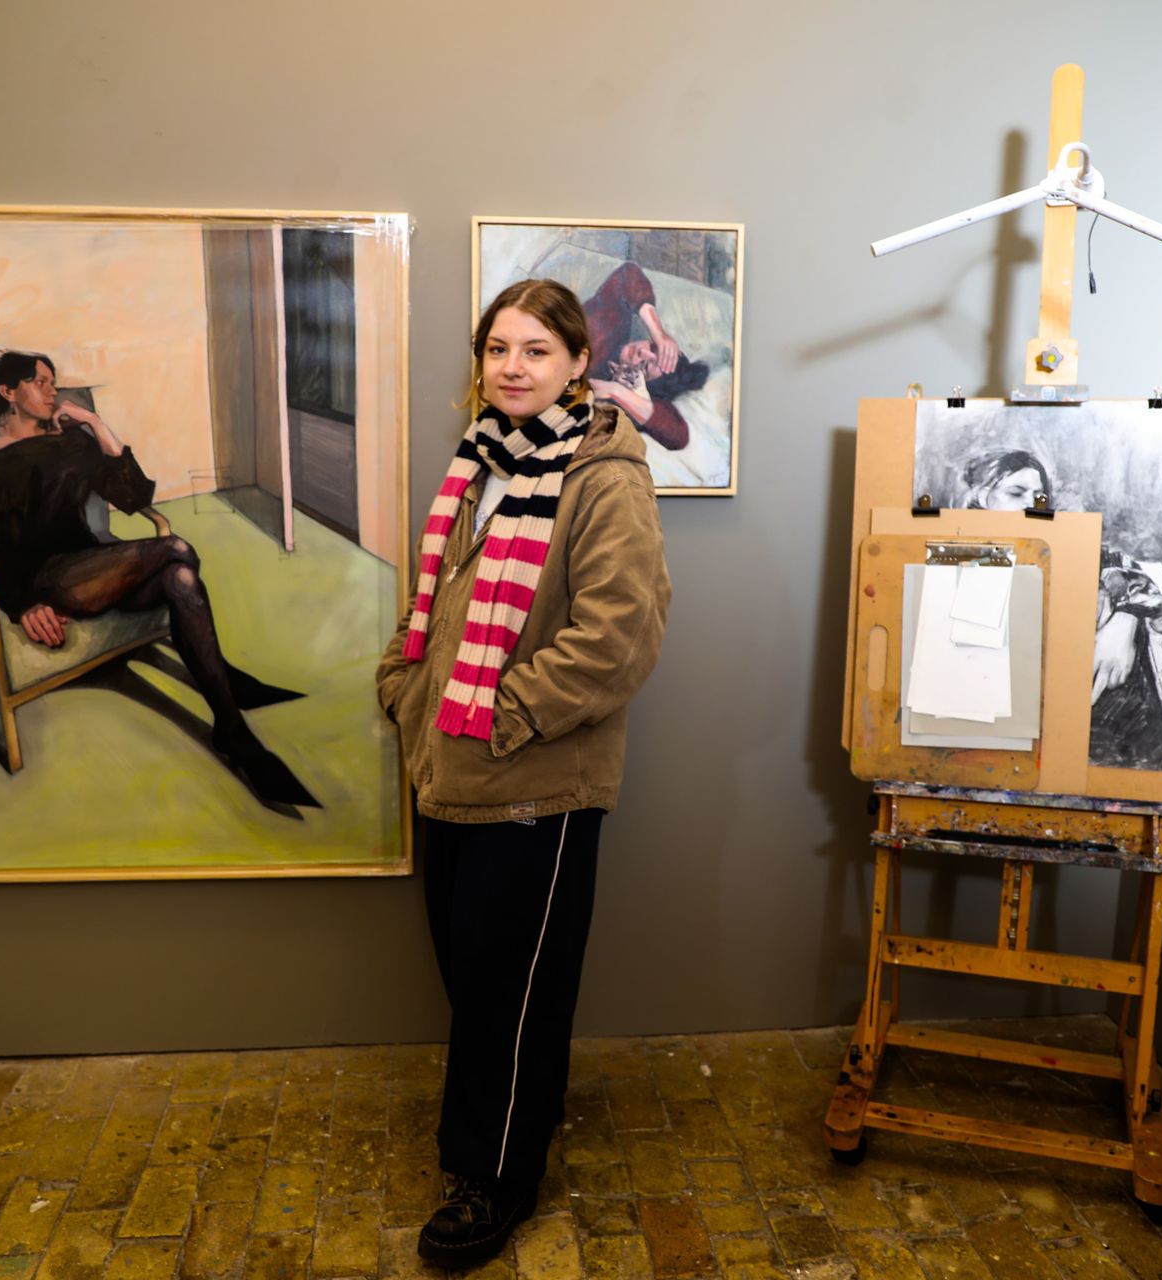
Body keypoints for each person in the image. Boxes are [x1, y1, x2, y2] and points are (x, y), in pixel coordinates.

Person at [375, 280, 670, 1268]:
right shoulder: (485, 461)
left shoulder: (603, 477)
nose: (511, 366)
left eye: (536, 349)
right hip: (454, 772)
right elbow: (444, 606)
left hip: (533, 780)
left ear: (581, 361)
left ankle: (493, 1179)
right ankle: (514, 1128)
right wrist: (406, 683)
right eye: (498, 348)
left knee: (511, 990)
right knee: (479, 979)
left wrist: (501, 716)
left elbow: (618, 638)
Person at [0, 350, 315, 812]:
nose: (51, 391)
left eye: (53, 382)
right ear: (8, 393)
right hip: (50, 580)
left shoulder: (72, 441)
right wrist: (22, 604)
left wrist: (95, 424)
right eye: (39, 382)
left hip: (97, 567)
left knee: (181, 579)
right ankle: (232, 699)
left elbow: (134, 495)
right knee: (178, 550)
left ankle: (231, 728)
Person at [958, 448, 1162, 770]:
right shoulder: (964, 556)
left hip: (1092, 733)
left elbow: (1127, 571)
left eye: (1038, 495)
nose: (1031, 502)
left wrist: (1126, 619)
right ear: (982, 499)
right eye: (1015, 493)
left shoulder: (1061, 544)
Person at [581, 261, 711, 452]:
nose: (642, 352)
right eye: (653, 348)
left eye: (644, 366)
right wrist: (658, 333)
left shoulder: (630, 397)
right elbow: (629, 273)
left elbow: (679, 436)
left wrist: (616, 390)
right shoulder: (614, 323)